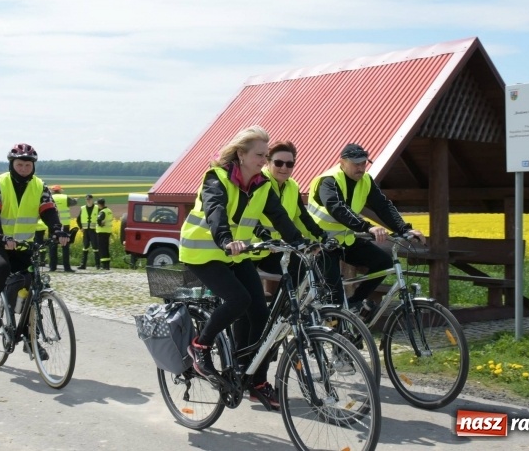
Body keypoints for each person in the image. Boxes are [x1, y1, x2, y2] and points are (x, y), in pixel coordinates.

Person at [180, 126, 305, 410]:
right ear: (241, 154)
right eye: (260, 155)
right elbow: (216, 212)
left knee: (261, 314)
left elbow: (280, 218)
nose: (264, 160)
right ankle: (200, 345)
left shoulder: (261, 185)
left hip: (236, 255)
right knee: (239, 300)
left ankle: (254, 380)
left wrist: (301, 243)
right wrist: (226, 240)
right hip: (203, 253)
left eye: (265, 155)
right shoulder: (217, 178)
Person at [307, 142, 426, 316]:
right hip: (321, 243)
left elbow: (383, 206)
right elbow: (337, 208)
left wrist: (404, 229)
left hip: (345, 240)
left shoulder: (366, 181)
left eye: (363, 163)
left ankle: (355, 303)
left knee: (383, 263)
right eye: (356, 163)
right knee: (335, 298)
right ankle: (334, 327)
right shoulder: (328, 180)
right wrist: (367, 227)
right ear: (342, 162)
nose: (361, 167)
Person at [0, 143, 69, 332]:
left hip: (22, 244)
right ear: (11, 164)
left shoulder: (39, 186)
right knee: (1, 267)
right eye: (20, 164)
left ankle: (27, 330)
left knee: (31, 278)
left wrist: (57, 230)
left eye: (28, 165)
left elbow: (49, 210)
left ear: (33, 166)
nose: (24, 169)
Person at [252, 141, 327, 287]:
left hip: (275, 250)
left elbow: (301, 217)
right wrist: (265, 238)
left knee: (300, 269)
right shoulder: (258, 181)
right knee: (249, 295)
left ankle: (284, 302)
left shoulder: (293, 186)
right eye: (278, 163)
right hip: (250, 248)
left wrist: (321, 237)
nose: (284, 168)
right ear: (268, 162)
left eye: (289, 164)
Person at [48, 185, 78, 272]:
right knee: (65, 246)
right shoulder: (65, 197)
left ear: (52, 191)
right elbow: (74, 202)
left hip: (53, 225)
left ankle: (52, 267)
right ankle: (67, 267)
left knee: (52, 246)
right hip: (64, 225)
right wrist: (76, 199)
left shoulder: (50, 198)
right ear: (60, 191)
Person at [76, 194, 98, 269]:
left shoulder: (97, 208)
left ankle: (98, 265)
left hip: (94, 230)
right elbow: (78, 219)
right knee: (85, 247)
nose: (88, 200)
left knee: (95, 247)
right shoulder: (83, 208)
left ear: (92, 199)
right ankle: (83, 265)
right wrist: (81, 227)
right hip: (85, 231)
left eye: (89, 199)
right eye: (87, 199)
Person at [95, 198, 113, 270]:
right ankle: (107, 265)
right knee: (106, 248)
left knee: (102, 249)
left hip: (101, 232)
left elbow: (99, 220)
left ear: (100, 204)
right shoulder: (109, 211)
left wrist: (100, 224)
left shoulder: (102, 212)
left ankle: (104, 265)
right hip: (108, 232)